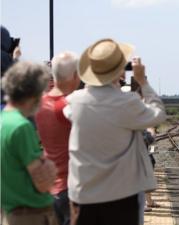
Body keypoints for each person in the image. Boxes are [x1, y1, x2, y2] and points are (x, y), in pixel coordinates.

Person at [64, 38, 166, 225]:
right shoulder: (126, 103)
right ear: (119, 71)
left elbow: (73, 107)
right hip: (122, 195)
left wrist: (95, 80)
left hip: (83, 195)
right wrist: (142, 81)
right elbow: (158, 114)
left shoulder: (74, 102)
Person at [0, 61, 58, 225]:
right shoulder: (21, 127)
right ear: (33, 94)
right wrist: (49, 167)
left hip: (9, 212)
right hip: (31, 215)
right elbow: (42, 183)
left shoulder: (3, 120)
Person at [35, 52, 81, 225]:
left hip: (49, 186)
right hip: (70, 187)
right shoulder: (69, 106)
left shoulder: (40, 103)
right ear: (75, 75)